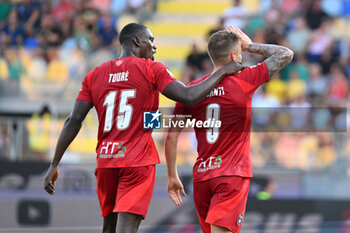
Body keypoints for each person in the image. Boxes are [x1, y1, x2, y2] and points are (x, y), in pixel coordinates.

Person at [43, 23, 245, 233]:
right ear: (137, 41)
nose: (155, 47)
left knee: (109, 228)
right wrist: (223, 72)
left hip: (106, 162)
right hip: (137, 162)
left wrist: (54, 163)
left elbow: (73, 120)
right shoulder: (152, 69)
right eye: (151, 40)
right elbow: (189, 96)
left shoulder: (95, 75)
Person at [165, 26, 293, 233]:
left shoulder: (191, 90)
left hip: (202, 176)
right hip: (231, 175)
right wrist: (251, 45)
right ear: (234, 55)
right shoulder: (245, 79)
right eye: (241, 53)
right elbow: (285, 54)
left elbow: (171, 137)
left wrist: (172, 176)